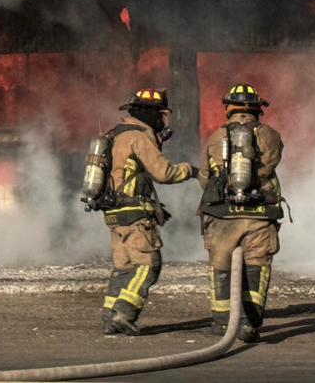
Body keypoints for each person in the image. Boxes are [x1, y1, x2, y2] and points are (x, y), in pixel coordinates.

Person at [96, 88, 197, 336]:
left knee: (124, 267)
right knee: (148, 265)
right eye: (160, 115)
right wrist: (192, 171)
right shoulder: (138, 137)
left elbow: (126, 176)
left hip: (115, 213)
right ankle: (124, 313)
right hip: (134, 216)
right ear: (149, 114)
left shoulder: (114, 134)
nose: (163, 120)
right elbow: (163, 173)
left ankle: (110, 317)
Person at [197, 83, 285, 343]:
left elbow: (204, 177)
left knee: (221, 266)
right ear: (258, 108)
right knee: (256, 265)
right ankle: (249, 324)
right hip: (259, 214)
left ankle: (221, 323)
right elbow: (271, 162)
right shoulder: (270, 134)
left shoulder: (215, 137)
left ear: (228, 108)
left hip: (223, 215)